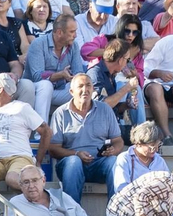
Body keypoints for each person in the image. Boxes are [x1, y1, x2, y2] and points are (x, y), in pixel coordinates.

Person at [46, 73, 123, 205]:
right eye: (80, 86)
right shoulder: (61, 113)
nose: (85, 89)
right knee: (74, 162)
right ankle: (72, 213)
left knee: (115, 162)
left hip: (99, 163)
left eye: (88, 85)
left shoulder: (105, 109)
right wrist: (76, 154)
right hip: (70, 166)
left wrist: (113, 150)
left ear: (93, 89)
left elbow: (118, 140)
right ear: (71, 91)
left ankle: (116, 211)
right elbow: (53, 149)